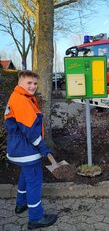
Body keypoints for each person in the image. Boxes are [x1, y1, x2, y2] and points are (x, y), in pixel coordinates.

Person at [4, 70, 57, 229]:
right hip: (26, 150)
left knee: (25, 176)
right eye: (29, 83)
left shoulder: (17, 97)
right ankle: (36, 218)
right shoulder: (21, 101)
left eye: (35, 83)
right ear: (20, 83)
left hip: (16, 149)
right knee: (34, 181)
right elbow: (30, 131)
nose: (33, 86)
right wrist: (43, 148)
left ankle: (21, 205)